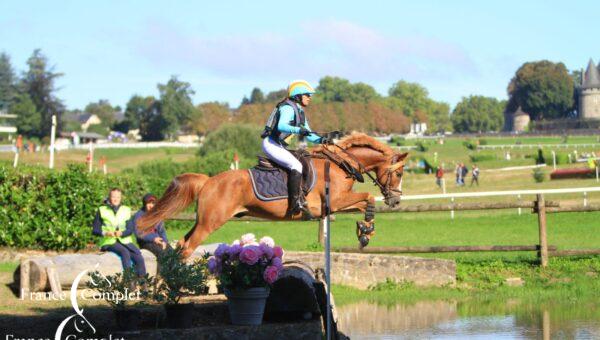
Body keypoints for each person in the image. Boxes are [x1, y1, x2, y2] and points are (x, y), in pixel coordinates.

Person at [260, 80, 331, 215]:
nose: (310, 97)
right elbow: (281, 125)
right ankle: (294, 204)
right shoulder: (287, 107)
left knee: (303, 160)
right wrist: (299, 130)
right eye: (307, 95)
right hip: (271, 143)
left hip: (278, 145)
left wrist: (323, 139)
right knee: (296, 166)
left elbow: (308, 134)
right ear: (298, 96)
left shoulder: (299, 111)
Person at [92, 188, 146, 277]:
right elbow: (95, 229)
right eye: (113, 197)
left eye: (118, 197)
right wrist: (106, 233)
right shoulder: (102, 210)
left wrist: (122, 233)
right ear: (109, 197)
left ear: (121, 198)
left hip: (125, 241)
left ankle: (143, 284)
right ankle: (129, 281)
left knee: (138, 256)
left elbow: (130, 230)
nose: (116, 199)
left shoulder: (126, 210)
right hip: (108, 242)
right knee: (124, 252)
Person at [132, 193, 172, 258]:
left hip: (159, 240)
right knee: (161, 253)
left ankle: (173, 268)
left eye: (153, 203)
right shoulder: (138, 216)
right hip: (146, 242)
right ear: (145, 204)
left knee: (172, 254)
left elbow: (162, 231)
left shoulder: (156, 215)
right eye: (149, 203)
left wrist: (164, 241)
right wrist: (153, 239)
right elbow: (138, 233)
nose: (151, 206)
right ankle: (161, 268)